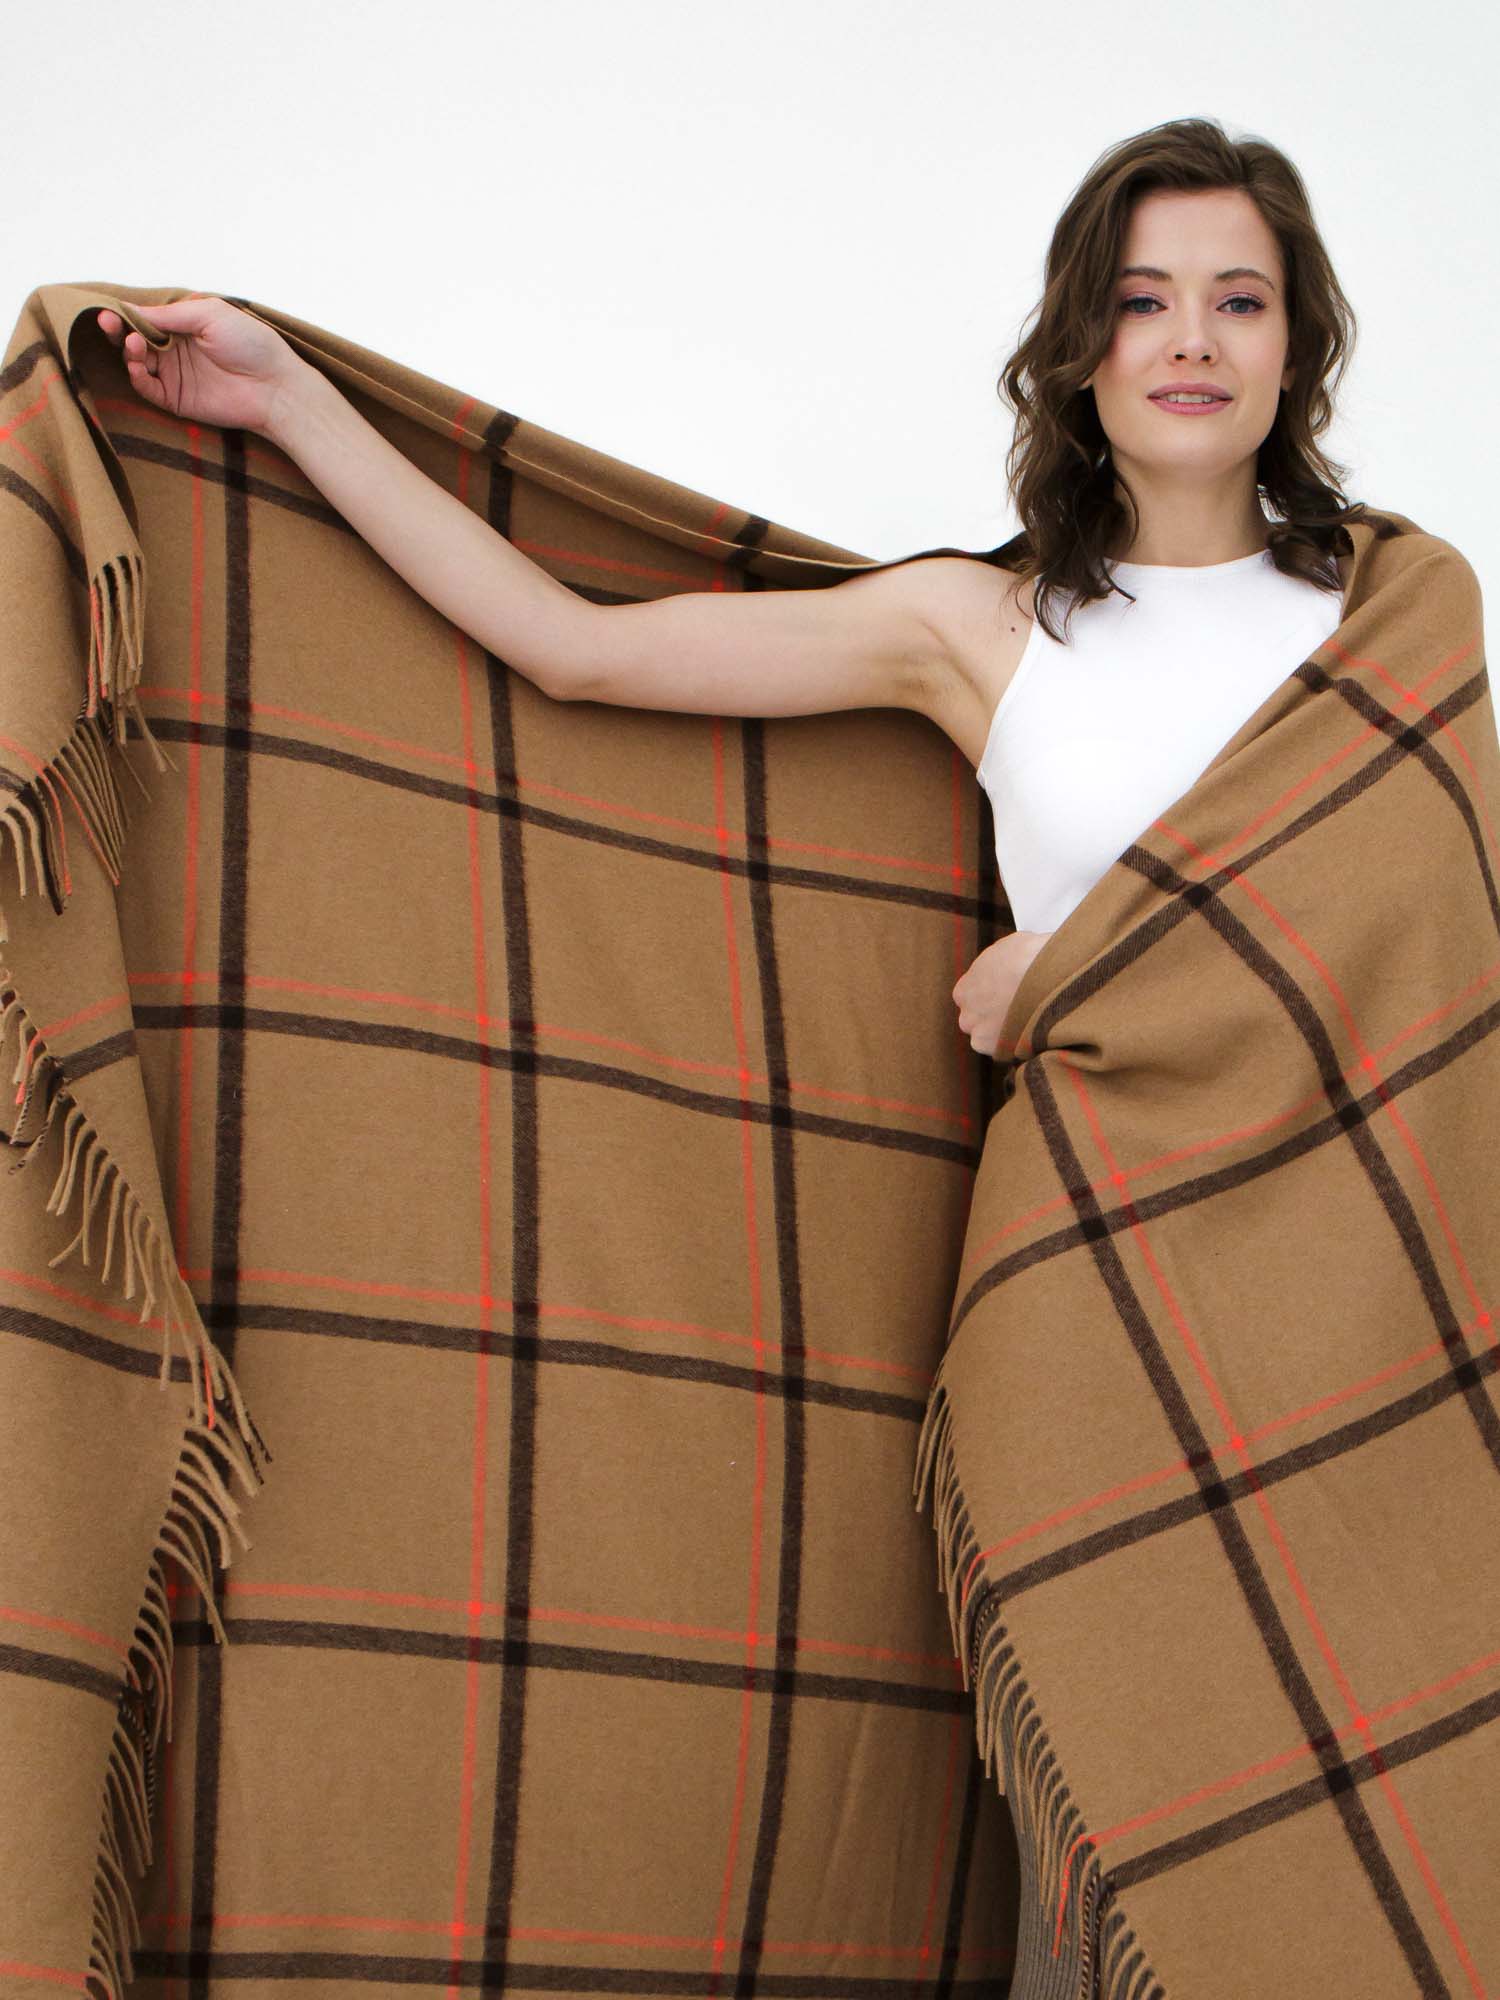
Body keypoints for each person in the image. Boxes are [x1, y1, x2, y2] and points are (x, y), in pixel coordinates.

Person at [96, 111, 1370, 1993]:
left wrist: (1068, 973)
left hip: (1349, 1288)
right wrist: (290, 403)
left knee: (1360, 1809)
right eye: (1142, 299)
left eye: (1238, 299)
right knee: (1110, 1841)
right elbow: (578, 652)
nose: (1191, 338)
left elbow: (1424, 974)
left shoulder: (1392, 630)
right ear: (1081, 349)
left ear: (1297, 341)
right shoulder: (976, 628)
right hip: (1092, 1291)